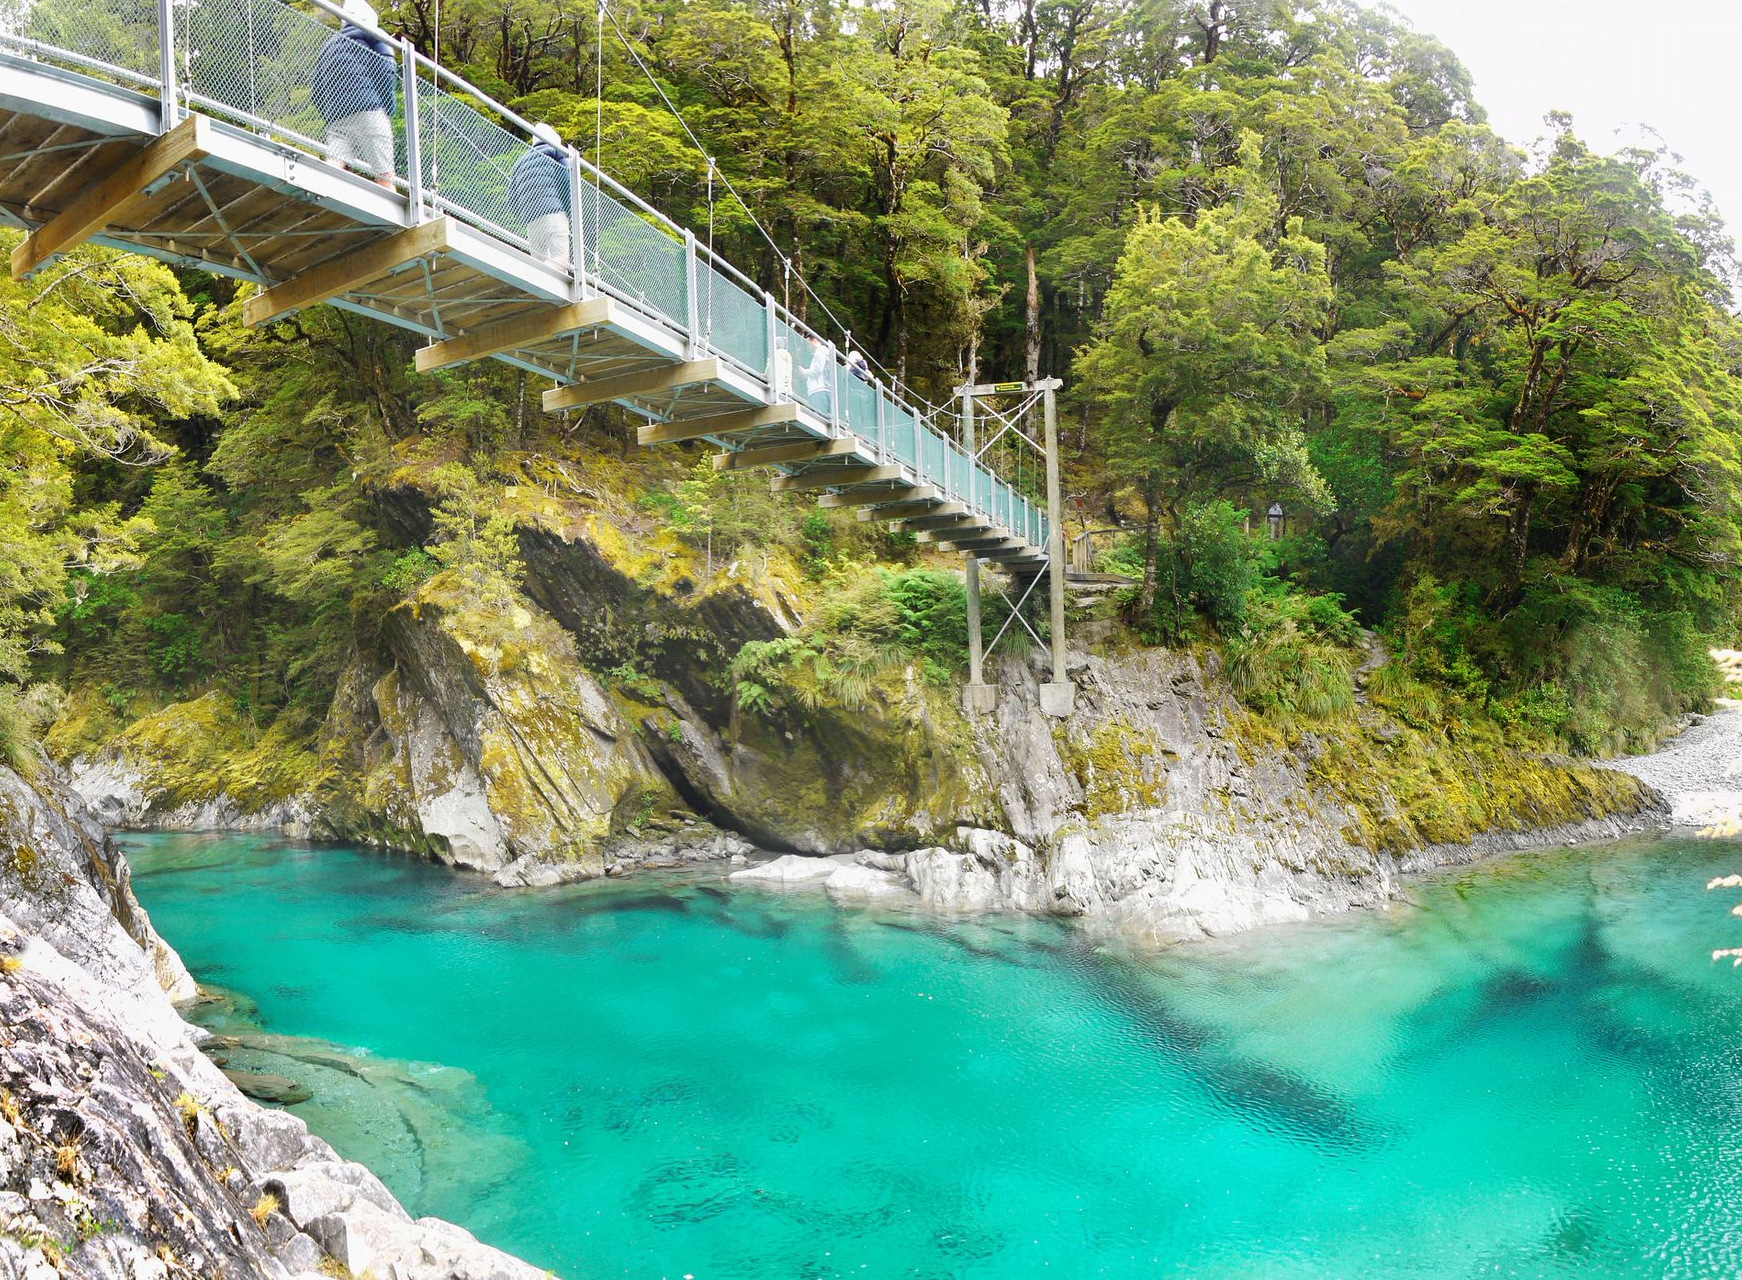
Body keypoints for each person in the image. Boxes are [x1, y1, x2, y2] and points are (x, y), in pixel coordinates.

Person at [311, 0, 398, 188]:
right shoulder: (374, 35)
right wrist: (387, 109)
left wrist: (330, 113)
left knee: (336, 163)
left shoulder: (328, 45)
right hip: (368, 109)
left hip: (336, 116)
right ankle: (395, 211)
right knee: (384, 172)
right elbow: (386, 71)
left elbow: (316, 92)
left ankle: (322, 191)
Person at [508, 122, 573, 265]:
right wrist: (568, 213)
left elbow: (512, 201)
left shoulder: (519, 163)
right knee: (561, 259)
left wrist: (526, 215)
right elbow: (566, 184)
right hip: (554, 213)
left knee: (539, 264)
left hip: (531, 221)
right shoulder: (556, 154)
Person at [803, 336, 833, 418]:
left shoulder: (820, 351)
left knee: (819, 418)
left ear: (814, 341)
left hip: (818, 390)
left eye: (808, 344)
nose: (808, 346)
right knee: (822, 417)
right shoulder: (825, 352)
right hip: (824, 389)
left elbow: (817, 369)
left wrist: (804, 372)